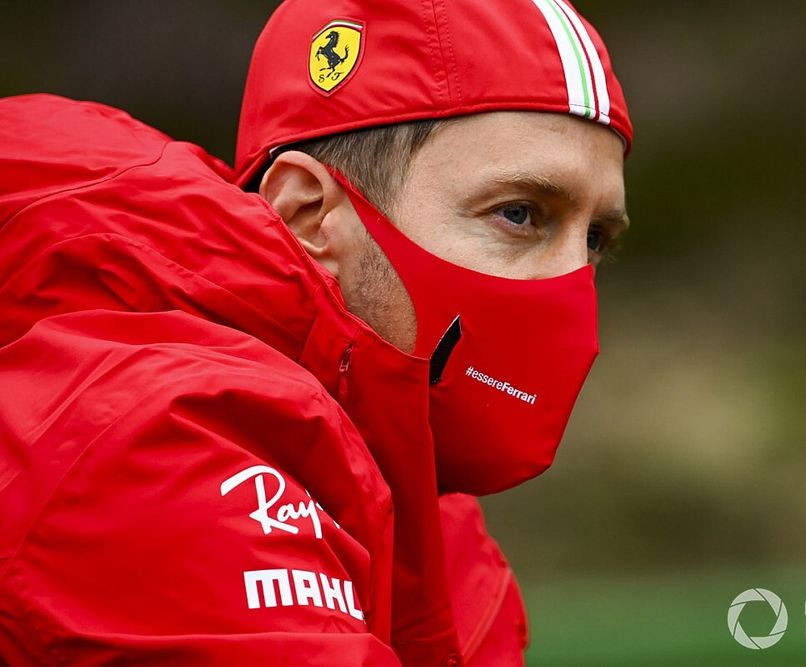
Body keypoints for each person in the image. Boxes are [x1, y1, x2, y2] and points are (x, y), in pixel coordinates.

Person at [0, 0, 632, 664]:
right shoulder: (157, 439)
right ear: (307, 214)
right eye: (521, 213)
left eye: (596, 238)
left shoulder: (440, 529)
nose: (572, 284)